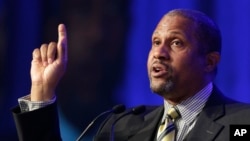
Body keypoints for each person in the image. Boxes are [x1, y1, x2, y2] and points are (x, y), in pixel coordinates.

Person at [12, 9, 250, 141]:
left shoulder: (242, 124)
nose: (159, 53)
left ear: (209, 62)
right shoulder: (121, 126)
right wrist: (42, 93)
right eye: (155, 42)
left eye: (176, 43)